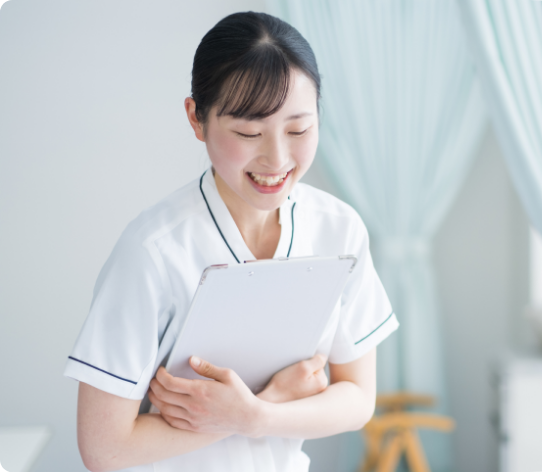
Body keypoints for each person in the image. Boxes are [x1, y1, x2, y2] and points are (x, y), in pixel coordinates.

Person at [64, 11, 398, 472]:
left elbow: (358, 398)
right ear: (196, 119)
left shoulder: (339, 229)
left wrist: (257, 416)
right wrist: (262, 405)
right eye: (248, 132)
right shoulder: (153, 251)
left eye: (298, 130)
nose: (277, 159)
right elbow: (104, 448)